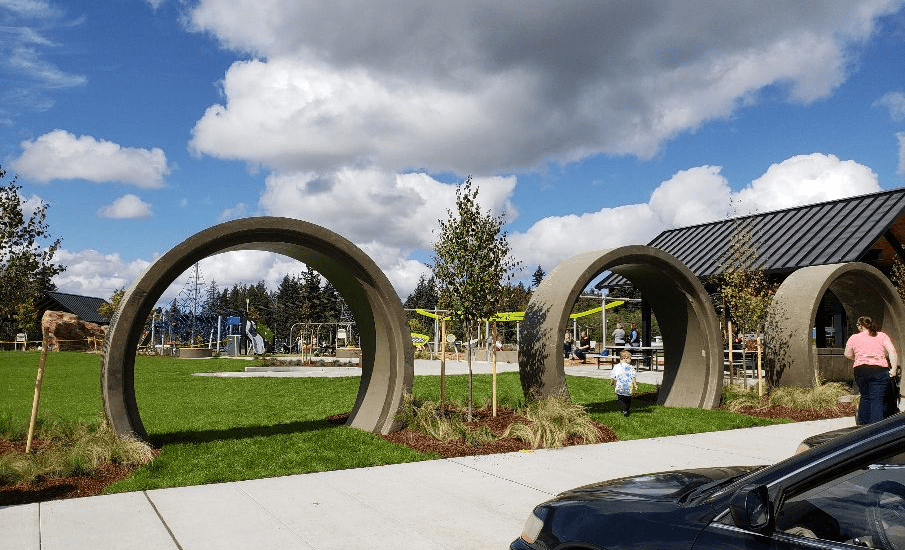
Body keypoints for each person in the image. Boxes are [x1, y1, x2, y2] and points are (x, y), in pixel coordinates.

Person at [844, 315, 901, 425]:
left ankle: (862, 425)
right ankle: (876, 428)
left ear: (861, 325)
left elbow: (847, 354)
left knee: (865, 396)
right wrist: (893, 369)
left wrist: (857, 359)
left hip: (860, 370)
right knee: (877, 399)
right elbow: (892, 352)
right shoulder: (882, 336)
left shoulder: (854, 338)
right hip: (879, 370)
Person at [610, 349, 638, 416]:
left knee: (622, 399)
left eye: (627, 358)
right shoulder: (629, 367)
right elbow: (633, 377)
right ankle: (625, 409)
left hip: (623, 386)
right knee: (626, 398)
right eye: (623, 358)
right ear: (621, 359)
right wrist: (635, 384)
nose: (625, 360)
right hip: (625, 386)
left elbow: (613, 376)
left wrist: (612, 382)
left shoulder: (628, 367)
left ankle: (624, 409)